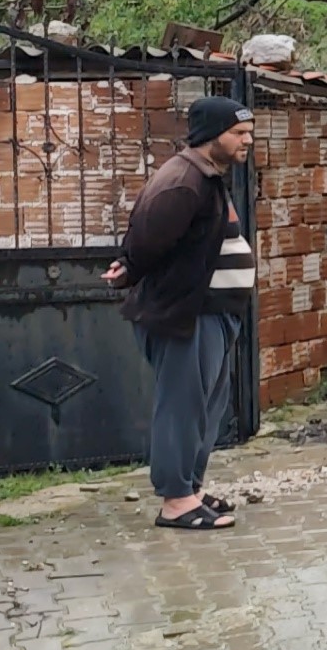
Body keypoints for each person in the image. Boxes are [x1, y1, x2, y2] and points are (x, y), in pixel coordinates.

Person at [109, 94, 255, 528]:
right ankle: (175, 501)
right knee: (182, 407)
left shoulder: (207, 177)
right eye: (238, 133)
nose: (247, 140)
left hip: (214, 314)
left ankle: (190, 489)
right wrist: (129, 267)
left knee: (207, 407)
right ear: (212, 135)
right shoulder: (182, 181)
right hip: (187, 316)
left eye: (248, 132)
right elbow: (147, 238)